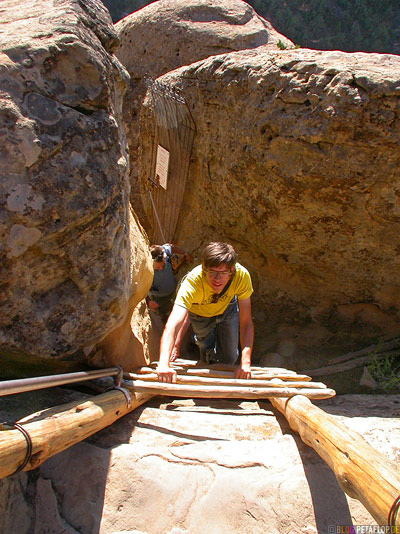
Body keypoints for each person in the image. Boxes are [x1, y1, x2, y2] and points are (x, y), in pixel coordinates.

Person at [156, 241, 254, 382]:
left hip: (227, 309)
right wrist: (164, 363)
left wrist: (245, 363)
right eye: (212, 272)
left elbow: (246, 322)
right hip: (200, 314)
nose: (217, 279)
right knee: (207, 353)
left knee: (230, 357)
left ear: (231, 271)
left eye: (223, 273)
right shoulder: (192, 283)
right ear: (203, 268)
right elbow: (173, 324)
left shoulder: (241, 276)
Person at [147, 243, 192, 323]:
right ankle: (166, 320)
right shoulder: (146, 272)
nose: (161, 269)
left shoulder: (165, 252)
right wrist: (148, 302)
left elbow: (171, 246)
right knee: (163, 312)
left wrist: (185, 253)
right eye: (157, 268)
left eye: (163, 265)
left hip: (174, 290)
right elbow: (141, 289)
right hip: (160, 299)